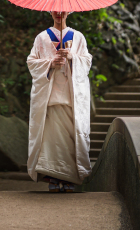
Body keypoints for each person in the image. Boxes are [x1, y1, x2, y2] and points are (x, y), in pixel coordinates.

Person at [26, 10, 92, 192]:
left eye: (62, 10)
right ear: (50, 11)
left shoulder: (78, 37)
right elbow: (31, 62)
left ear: (69, 11)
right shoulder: (41, 38)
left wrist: (72, 58)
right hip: (50, 98)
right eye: (55, 10)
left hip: (71, 98)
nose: (59, 13)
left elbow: (87, 61)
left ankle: (69, 178)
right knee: (51, 141)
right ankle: (53, 177)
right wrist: (50, 63)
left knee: (71, 140)